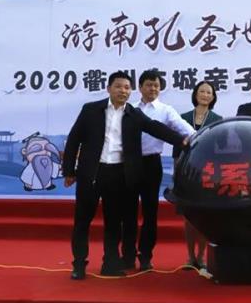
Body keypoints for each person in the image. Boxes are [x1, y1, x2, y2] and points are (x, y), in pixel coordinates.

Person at [62, 71, 186, 280]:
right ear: (109, 89)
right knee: (82, 221)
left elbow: (155, 128)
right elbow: (74, 139)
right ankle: (79, 265)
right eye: (118, 86)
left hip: (117, 174)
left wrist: (182, 141)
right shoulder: (91, 110)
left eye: (127, 88)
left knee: (113, 223)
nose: (123, 91)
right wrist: (69, 171)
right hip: (91, 173)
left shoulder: (133, 114)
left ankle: (110, 264)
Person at [122, 69, 195, 272]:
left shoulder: (166, 110)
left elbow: (185, 129)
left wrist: (197, 138)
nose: (153, 89)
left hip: (152, 164)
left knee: (150, 213)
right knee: (128, 213)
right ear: (140, 87)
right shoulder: (129, 108)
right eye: (149, 85)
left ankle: (146, 256)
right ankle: (127, 256)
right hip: (129, 164)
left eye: (156, 85)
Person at [173, 80, 223, 269]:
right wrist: (177, 172)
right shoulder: (183, 117)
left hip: (208, 173)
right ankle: (190, 257)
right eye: (202, 91)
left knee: (204, 217)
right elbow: (177, 147)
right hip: (188, 172)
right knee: (188, 218)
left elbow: (220, 149)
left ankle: (201, 257)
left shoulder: (217, 119)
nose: (205, 95)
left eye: (209, 92)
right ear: (195, 94)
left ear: (213, 97)